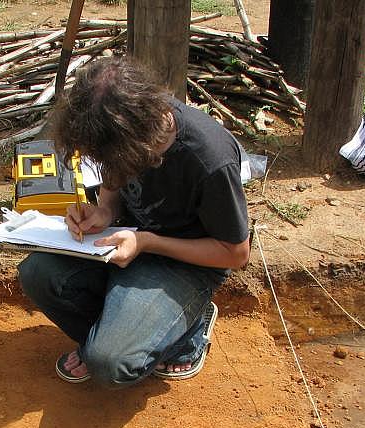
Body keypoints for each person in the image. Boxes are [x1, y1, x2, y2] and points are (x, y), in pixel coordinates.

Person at [18, 57, 250, 388]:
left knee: (108, 364)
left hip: (184, 264)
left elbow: (235, 253)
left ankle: (188, 332)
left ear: (132, 140)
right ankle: (123, 328)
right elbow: (113, 177)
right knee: (37, 274)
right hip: (124, 241)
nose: (103, 164)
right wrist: (104, 212)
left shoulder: (211, 161)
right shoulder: (131, 126)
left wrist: (147, 242)